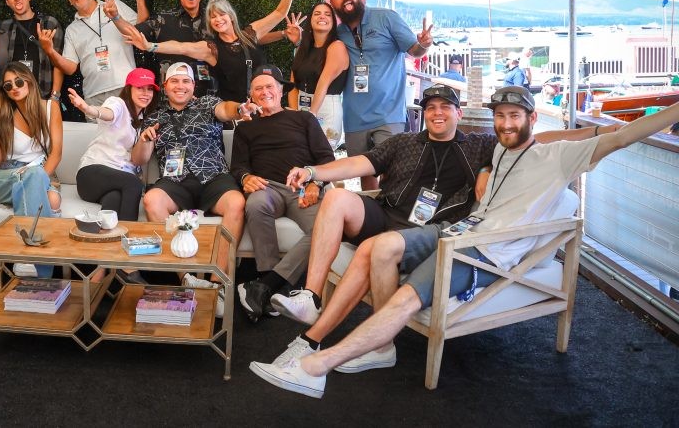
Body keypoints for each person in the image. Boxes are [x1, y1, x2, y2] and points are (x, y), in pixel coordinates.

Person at [248, 85, 671, 399]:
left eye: (515, 117)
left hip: (482, 250)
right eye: (500, 117)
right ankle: (367, 340)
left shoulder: (546, 153)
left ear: (531, 118)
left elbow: (614, 139)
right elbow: (365, 163)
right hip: (454, 231)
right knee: (380, 246)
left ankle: (317, 363)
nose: (506, 124)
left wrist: (667, 112)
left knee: (405, 295)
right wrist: (316, 172)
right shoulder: (499, 150)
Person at [266, 84, 495, 325]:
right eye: (430, 108)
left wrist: (486, 167)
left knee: (377, 238)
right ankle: (311, 297)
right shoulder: (404, 142)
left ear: (459, 113)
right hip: (386, 215)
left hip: (428, 231)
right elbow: (357, 164)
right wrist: (313, 171)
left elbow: (525, 144)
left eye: (445, 107)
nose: (437, 113)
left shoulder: (478, 145)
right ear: (424, 114)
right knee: (336, 198)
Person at [135, 62, 257, 314]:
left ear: (193, 85)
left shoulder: (207, 104)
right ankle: (186, 278)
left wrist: (240, 108)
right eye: (175, 81)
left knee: (236, 203)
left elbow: (226, 110)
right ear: (166, 86)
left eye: (186, 81)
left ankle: (218, 282)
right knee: (152, 201)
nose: (181, 86)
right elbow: (139, 160)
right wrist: (145, 140)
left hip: (213, 175)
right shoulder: (154, 116)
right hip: (175, 179)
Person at [229, 65, 335, 322]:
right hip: (268, 187)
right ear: (251, 96)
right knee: (255, 204)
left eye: (269, 87)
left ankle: (264, 287)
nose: (265, 92)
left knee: (327, 227)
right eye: (258, 89)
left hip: (302, 187)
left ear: (279, 90)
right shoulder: (244, 128)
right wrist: (246, 177)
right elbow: (238, 166)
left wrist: (316, 183)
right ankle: (267, 277)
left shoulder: (304, 119)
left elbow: (326, 158)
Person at [124, 0, 299, 102]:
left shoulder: (249, 34)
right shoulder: (212, 48)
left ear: (231, 16)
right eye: (212, 17)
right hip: (232, 109)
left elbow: (278, 13)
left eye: (221, 15)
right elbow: (180, 47)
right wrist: (150, 46)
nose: (218, 20)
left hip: (263, 101)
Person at [328, 0, 433, 190]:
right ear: (333, 4)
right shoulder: (337, 33)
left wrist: (424, 45)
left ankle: (391, 217)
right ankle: (372, 220)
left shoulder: (386, 17)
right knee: (365, 174)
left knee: (392, 171)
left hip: (389, 113)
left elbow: (414, 50)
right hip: (354, 116)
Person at [0, 62, 63, 277]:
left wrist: (37, 178)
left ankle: (32, 260)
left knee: (52, 198)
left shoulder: (50, 107)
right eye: (8, 86)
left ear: (28, 81)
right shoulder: (2, 113)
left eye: (18, 82)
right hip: (5, 176)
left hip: (41, 170)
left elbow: (56, 153)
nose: (14, 88)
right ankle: (42, 262)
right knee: (44, 192)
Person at [37, 0, 148, 113]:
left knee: (129, 133)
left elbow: (141, 28)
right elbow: (70, 68)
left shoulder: (114, 5)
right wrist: (50, 51)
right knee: (97, 135)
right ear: (69, 0)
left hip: (124, 87)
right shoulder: (72, 29)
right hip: (93, 96)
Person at [68, 67, 159, 223]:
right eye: (140, 88)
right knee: (133, 184)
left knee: (114, 200)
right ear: (129, 89)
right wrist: (87, 108)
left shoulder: (145, 120)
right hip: (91, 175)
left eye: (149, 89)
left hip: (115, 183)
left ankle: (107, 240)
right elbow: (107, 113)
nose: (145, 93)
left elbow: (140, 159)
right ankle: (131, 236)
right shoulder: (118, 103)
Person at [133, 0, 213, 94]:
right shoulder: (164, 18)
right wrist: (116, 17)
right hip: (170, 99)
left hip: (207, 99)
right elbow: (136, 34)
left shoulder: (215, 20)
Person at [289, 1, 350, 152]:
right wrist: (295, 114)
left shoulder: (337, 46)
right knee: (301, 156)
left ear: (333, 22)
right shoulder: (304, 48)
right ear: (310, 19)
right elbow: (293, 84)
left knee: (322, 158)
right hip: (302, 107)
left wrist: (311, 115)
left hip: (326, 108)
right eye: (317, 13)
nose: (322, 16)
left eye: (327, 14)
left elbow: (324, 81)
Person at [0, 0, 64, 101]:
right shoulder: (3, 28)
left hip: (42, 95)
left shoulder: (49, 23)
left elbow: (59, 64)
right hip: (14, 97)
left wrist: (55, 96)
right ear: (7, 2)